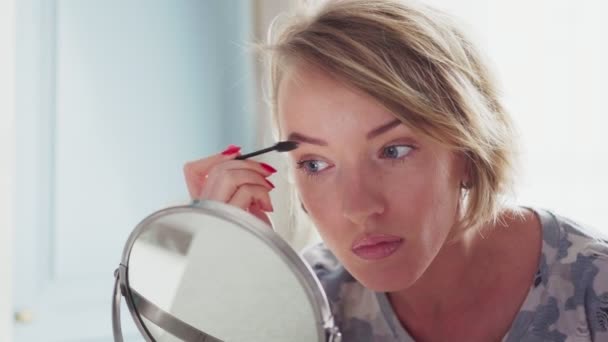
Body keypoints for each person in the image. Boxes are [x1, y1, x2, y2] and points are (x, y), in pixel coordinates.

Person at [183, 0, 608, 340]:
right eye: (315, 163)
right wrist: (233, 291)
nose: (358, 207)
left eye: (394, 150)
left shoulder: (595, 287)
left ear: (467, 147)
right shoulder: (302, 305)